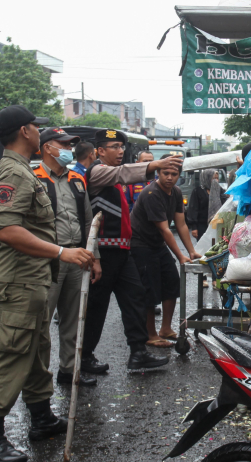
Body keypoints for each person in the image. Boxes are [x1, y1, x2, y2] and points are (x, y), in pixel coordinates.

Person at [0, 105, 95, 462]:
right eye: (34, 126)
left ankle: (41, 417)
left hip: (35, 277)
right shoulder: (13, 172)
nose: (38, 131)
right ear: (25, 132)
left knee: (37, 349)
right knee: (12, 352)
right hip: (19, 279)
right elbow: (8, 230)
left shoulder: (24, 169)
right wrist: (62, 252)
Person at [81, 129, 180, 375]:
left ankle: (138, 352)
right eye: (114, 147)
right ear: (100, 151)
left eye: (121, 147)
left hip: (122, 252)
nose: (120, 151)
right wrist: (156, 164)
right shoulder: (98, 172)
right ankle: (83, 358)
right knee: (96, 307)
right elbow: (123, 173)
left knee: (136, 297)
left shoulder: (113, 177)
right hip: (103, 253)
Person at [34, 128, 101, 387]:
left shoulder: (76, 179)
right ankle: (38, 380)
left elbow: (88, 220)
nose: (68, 150)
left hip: (77, 256)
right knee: (41, 321)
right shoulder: (34, 178)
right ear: (47, 147)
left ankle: (69, 371)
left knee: (73, 320)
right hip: (47, 258)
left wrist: (94, 257)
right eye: (62, 144)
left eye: (69, 145)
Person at [131, 156, 200, 346]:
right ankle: (150, 334)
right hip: (140, 244)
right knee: (149, 290)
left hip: (158, 244)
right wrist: (180, 256)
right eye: (165, 173)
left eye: (174, 174)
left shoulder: (176, 192)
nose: (169, 177)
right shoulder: (152, 193)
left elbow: (181, 224)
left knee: (171, 282)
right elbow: (165, 230)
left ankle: (166, 329)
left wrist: (191, 252)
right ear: (158, 173)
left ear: (179, 175)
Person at [186, 169, 213, 240]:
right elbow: (193, 209)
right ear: (207, 178)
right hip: (202, 225)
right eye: (213, 178)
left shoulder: (219, 190)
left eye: (217, 178)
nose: (216, 180)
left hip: (216, 224)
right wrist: (194, 227)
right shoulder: (198, 191)